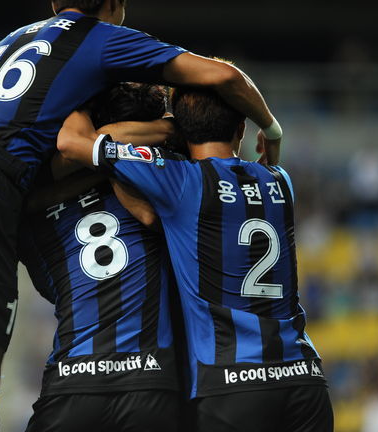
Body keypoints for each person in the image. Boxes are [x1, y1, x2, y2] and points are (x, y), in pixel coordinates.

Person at [0, 0, 281, 429]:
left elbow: (59, 150)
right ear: (113, 4)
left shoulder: (14, 39)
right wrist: (269, 130)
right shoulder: (99, 37)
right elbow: (223, 76)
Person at [56, 86, 333, 431]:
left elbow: (74, 141)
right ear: (241, 129)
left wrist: (161, 128)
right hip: (305, 379)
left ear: (182, 133)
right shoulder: (281, 181)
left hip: (231, 384)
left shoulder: (181, 180)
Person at [20, 82, 183, 432]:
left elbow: (48, 286)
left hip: (71, 380)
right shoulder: (170, 179)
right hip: (151, 381)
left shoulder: (34, 205)